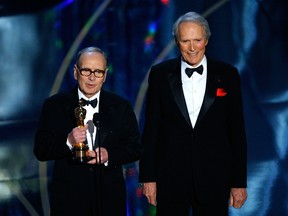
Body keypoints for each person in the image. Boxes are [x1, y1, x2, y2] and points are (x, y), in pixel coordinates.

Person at [139, 11, 248, 216]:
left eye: (197, 40)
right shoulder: (160, 74)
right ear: (177, 41)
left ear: (206, 39)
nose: (191, 48)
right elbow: (151, 129)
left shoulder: (228, 74)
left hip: (214, 177)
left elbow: (237, 132)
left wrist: (238, 183)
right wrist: (148, 177)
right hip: (170, 177)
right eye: (185, 41)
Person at [34, 46, 142, 216]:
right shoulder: (54, 105)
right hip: (68, 199)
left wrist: (109, 155)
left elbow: (135, 148)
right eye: (86, 71)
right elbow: (41, 150)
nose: (92, 77)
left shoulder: (121, 106)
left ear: (105, 75)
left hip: (109, 198)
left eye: (98, 72)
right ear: (76, 72)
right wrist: (68, 141)